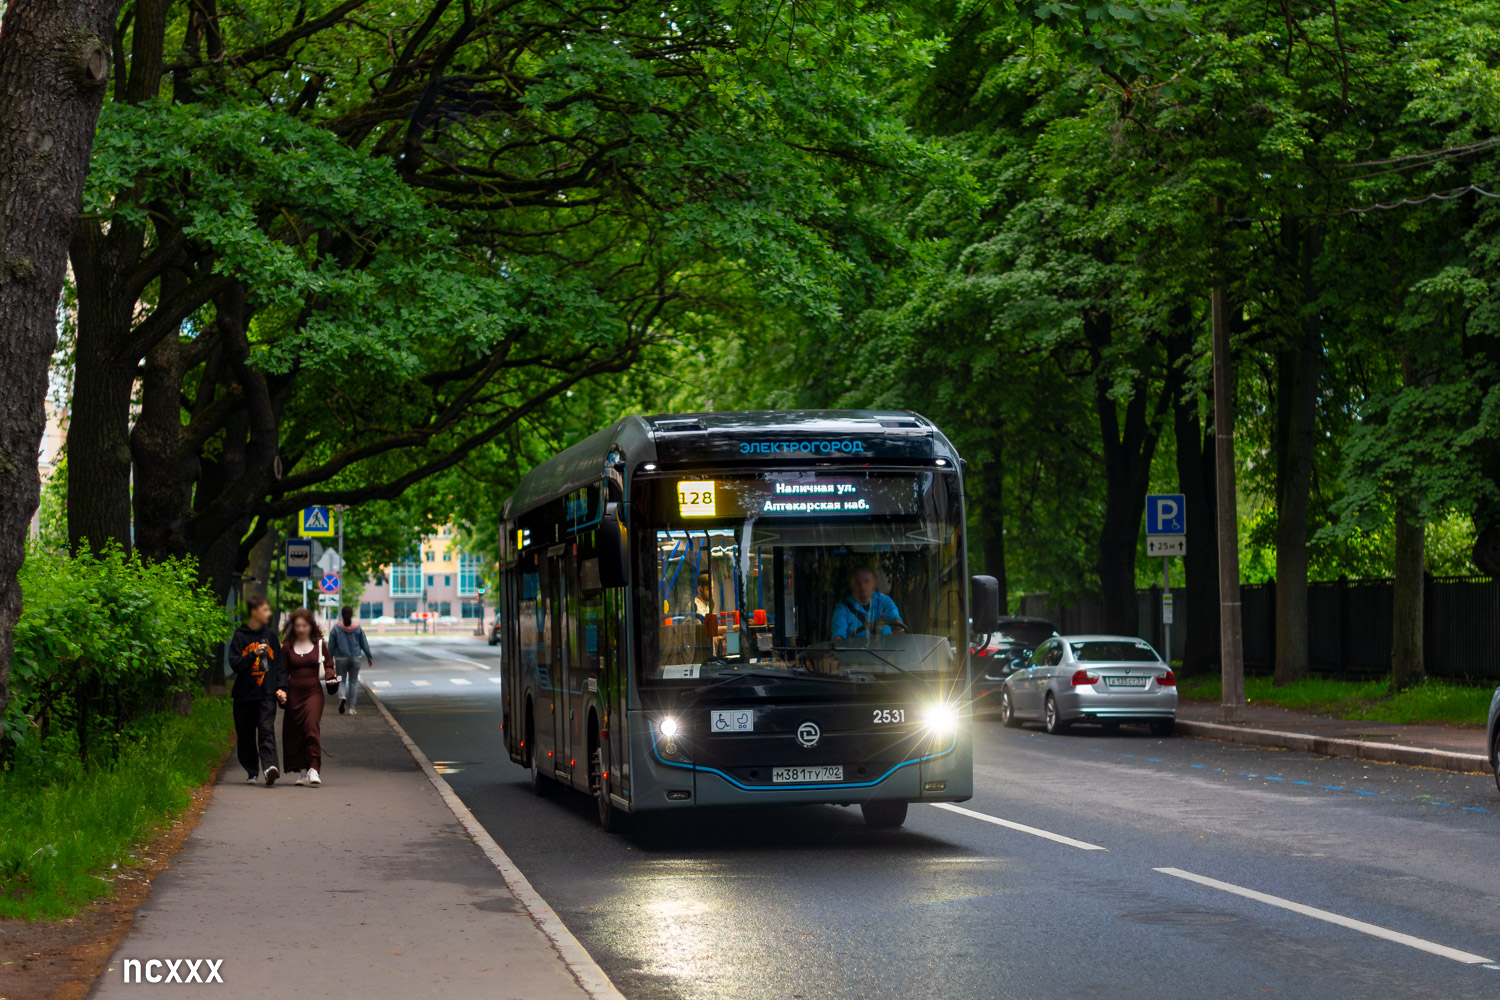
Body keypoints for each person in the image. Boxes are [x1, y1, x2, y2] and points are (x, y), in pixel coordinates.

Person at [227, 596, 286, 786]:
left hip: (266, 693)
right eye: (264, 610)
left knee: (266, 730)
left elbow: (279, 666)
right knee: (246, 735)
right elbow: (235, 664)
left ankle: (269, 768)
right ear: (254, 613)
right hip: (244, 695)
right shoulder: (240, 636)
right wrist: (252, 655)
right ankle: (251, 771)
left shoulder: (270, 636)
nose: (268, 614)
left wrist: (281, 688)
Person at [280, 607, 337, 786]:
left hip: (313, 692)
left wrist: (331, 678)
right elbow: (282, 672)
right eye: (297, 626)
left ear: (310, 626)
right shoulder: (287, 646)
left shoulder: (319, 643)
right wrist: (280, 690)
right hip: (293, 693)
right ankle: (302, 771)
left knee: (311, 727)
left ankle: (314, 768)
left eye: (304, 625)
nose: (301, 629)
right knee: (296, 732)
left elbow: (328, 666)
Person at [831, 566, 905, 640]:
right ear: (852, 584)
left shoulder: (884, 601)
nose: (862, 586)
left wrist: (898, 628)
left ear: (874, 583)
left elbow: (895, 620)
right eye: (857, 582)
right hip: (855, 651)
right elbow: (838, 639)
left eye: (866, 581)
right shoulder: (842, 609)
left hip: (885, 650)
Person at [329, 606, 374, 715]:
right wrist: (369, 656)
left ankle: (342, 696)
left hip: (340, 659)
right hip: (355, 659)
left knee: (340, 679)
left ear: (342, 615)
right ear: (351, 614)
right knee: (353, 682)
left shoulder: (336, 628)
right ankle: (351, 708)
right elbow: (364, 643)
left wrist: (329, 659)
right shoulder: (358, 628)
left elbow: (331, 646)